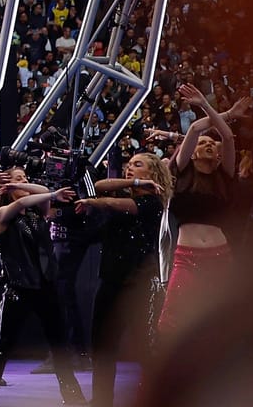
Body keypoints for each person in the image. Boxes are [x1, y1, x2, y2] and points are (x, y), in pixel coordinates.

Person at [0, 169, 86, 406]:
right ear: (5, 189)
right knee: (3, 345)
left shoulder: (37, 213)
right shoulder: (3, 214)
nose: (25, 182)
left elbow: (44, 193)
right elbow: (25, 200)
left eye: (26, 178)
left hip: (46, 287)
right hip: (19, 288)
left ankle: (72, 396)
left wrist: (30, 187)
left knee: (59, 344)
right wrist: (18, 191)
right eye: (19, 179)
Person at [74, 152, 170, 407]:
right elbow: (98, 187)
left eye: (138, 166)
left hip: (138, 285)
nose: (130, 168)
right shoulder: (126, 192)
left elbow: (113, 204)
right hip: (111, 280)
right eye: (128, 165)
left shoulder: (153, 203)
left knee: (144, 347)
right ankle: (102, 400)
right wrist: (134, 183)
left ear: (153, 174)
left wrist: (95, 203)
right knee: (103, 345)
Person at [159, 85, 243, 332]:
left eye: (211, 144)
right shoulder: (182, 172)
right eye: (203, 143)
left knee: (222, 318)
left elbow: (227, 137)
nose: (209, 144)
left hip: (221, 256)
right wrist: (213, 108)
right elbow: (195, 128)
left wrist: (211, 109)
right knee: (171, 319)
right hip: (187, 257)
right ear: (192, 153)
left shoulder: (225, 175)